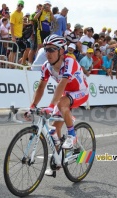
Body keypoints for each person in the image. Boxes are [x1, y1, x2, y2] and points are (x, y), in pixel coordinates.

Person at [26, 35, 89, 176]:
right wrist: (32, 106)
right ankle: (58, 159)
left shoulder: (69, 61)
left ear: (61, 51)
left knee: (61, 103)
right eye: (46, 49)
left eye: (52, 49)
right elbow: (41, 87)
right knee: (53, 129)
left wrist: (50, 105)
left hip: (81, 91)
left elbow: (62, 83)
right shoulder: (46, 67)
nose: (48, 53)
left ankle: (72, 135)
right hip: (66, 94)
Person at [8, 0, 24, 68]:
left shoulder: (21, 13)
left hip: (19, 35)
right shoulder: (13, 14)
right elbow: (11, 26)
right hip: (14, 35)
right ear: (17, 5)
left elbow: (20, 24)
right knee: (13, 51)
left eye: (21, 6)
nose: (20, 7)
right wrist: (13, 36)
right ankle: (10, 66)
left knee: (15, 51)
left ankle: (12, 64)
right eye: (19, 5)